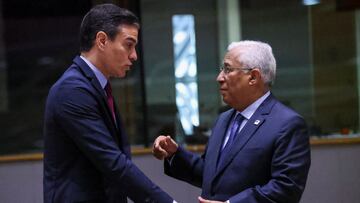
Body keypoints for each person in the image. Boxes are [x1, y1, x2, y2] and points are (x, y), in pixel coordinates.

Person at [43, 4, 175, 203]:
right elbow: (112, 162)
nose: (134, 55)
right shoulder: (72, 90)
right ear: (102, 40)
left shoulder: (95, 86)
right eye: (129, 45)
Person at [153, 40, 311, 203]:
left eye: (228, 69)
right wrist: (175, 154)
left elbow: (286, 188)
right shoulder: (224, 119)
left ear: (253, 77)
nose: (219, 78)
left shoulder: (287, 124)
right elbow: (212, 175)